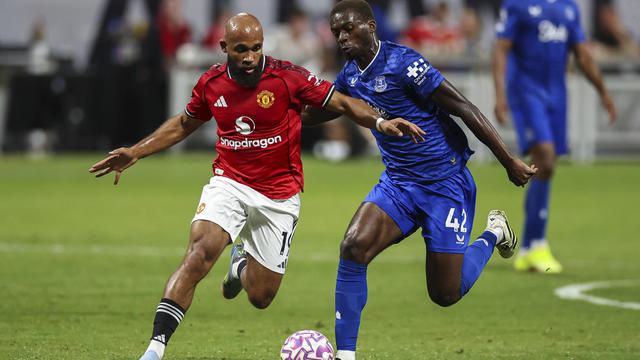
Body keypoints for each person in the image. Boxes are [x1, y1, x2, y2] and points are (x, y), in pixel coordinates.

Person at [89, 12, 425, 360]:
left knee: (261, 297)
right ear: (223, 48)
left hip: (279, 195)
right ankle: (154, 349)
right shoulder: (211, 83)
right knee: (199, 255)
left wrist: (380, 121)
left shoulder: (287, 77)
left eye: (256, 48)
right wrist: (136, 152)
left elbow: (340, 102)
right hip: (229, 183)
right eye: (241, 50)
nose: (250, 57)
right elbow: (184, 123)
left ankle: (241, 264)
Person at [302, 1, 537, 359]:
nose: (342, 37)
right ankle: (346, 355)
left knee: (445, 293)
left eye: (349, 28)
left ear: (370, 25)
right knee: (353, 246)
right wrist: (275, 114)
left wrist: (507, 160)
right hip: (399, 184)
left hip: (445, 185)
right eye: (336, 32)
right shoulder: (350, 75)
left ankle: (494, 233)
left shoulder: (404, 64)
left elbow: (465, 108)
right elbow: (328, 110)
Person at [493, 0, 617, 274]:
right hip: (525, 91)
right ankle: (536, 245)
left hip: (557, 94)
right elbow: (501, 50)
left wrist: (603, 92)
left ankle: (528, 247)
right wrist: (500, 94)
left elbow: (583, 54)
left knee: (547, 166)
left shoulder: (569, 8)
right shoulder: (517, 5)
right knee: (545, 159)